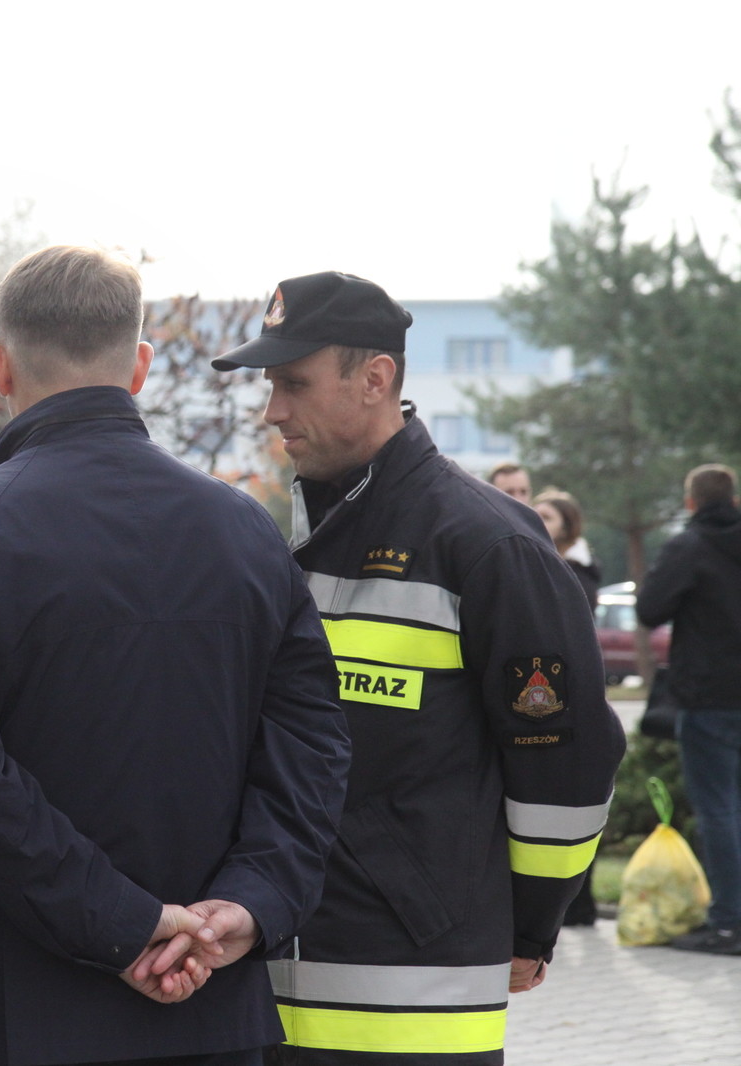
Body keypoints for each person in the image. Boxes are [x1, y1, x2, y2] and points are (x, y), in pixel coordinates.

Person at [0, 246, 351, 1066]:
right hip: (212, 1004)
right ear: (139, 367)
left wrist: (127, 922)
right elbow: (312, 744)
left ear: (0, 368)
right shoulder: (247, 531)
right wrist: (250, 902)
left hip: (19, 1012)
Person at [212, 271, 626, 1065]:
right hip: (269, 992)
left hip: (415, 1001)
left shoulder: (488, 545)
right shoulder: (292, 543)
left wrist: (530, 927)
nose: (273, 411)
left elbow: (567, 766)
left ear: (376, 379)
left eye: (294, 384)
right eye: (270, 386)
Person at [636, 463, 741, 956]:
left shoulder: (690, 546)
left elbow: (649, 609)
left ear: (691, 502)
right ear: (733, 500)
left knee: (718, 809)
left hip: (708, 698)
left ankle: (729, 923)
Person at [531, 488, 603, 927]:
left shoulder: (575, 571)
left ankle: (578, 903)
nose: (537, 520)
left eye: (547, 516)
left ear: (568, 525)